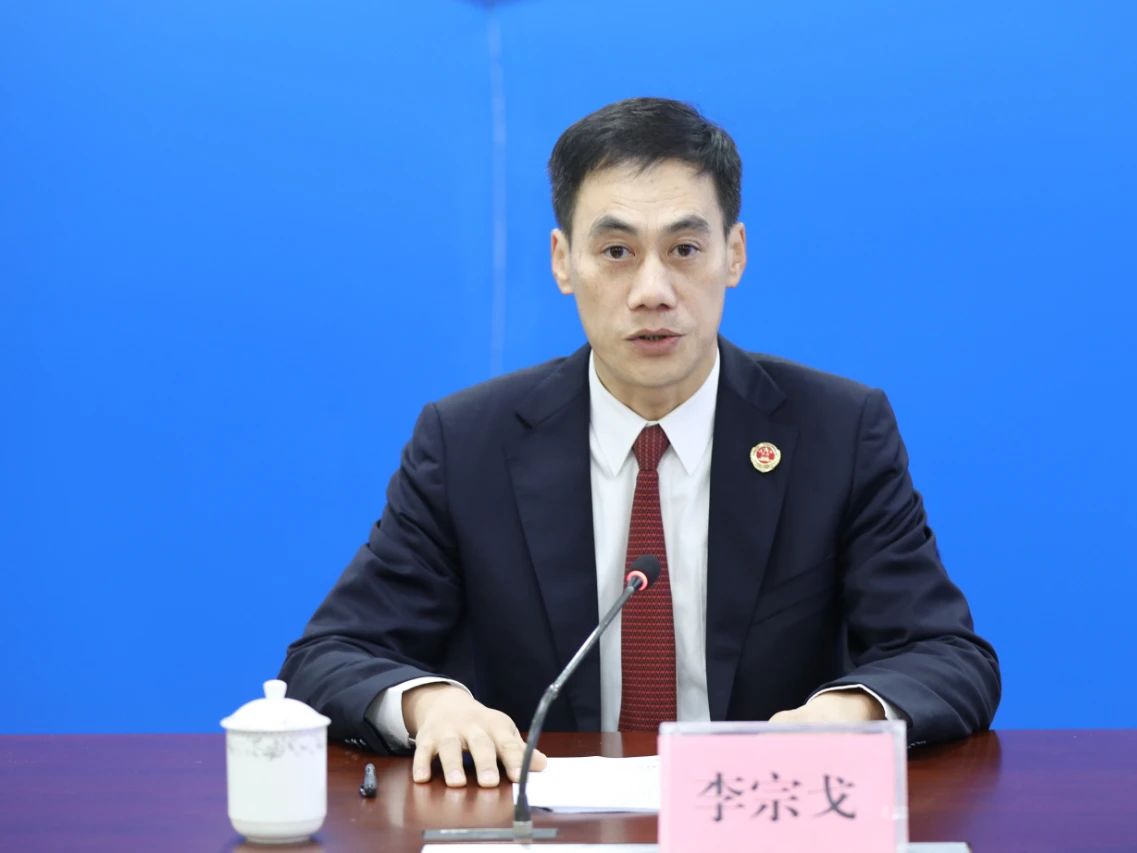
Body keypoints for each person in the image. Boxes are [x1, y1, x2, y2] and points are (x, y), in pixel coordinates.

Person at [280, 97, 1000, 790]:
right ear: (564, 262)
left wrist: (847, 713)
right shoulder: (469, 443)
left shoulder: (836, 432)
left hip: (758, 818)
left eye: (684, 249)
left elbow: (946, 654)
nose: (653, 289)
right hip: (545, 825)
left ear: (734, 254)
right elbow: (328, 655)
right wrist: (429, 703)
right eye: (617, 251)